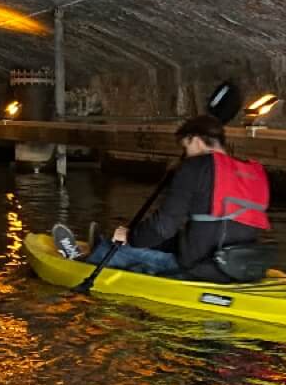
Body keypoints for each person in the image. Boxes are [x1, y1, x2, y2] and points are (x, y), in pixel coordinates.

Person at [52, 113, 271, 282]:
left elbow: (163, 226)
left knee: (134, 245)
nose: (186, 154)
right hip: (243, 264)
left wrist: (131, 236)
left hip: (200, 268)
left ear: (195, 140)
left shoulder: (194, 167)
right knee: (164, 241)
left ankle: (87, 259)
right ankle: (105, 244)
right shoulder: (251, 171)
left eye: (185, 147)